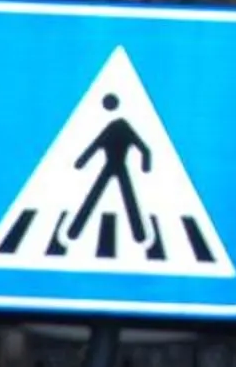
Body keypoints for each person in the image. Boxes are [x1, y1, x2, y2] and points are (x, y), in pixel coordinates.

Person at [50, 94, 162, 260]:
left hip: (114, 166)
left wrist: (81, 163)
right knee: (119, 198)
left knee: (103, 198)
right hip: (112, 166)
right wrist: (80, 163)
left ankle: (75, 231)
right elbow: (143, 149)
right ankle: (138, 234)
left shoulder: (119, 127)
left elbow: (96, 146)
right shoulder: (119, 128)